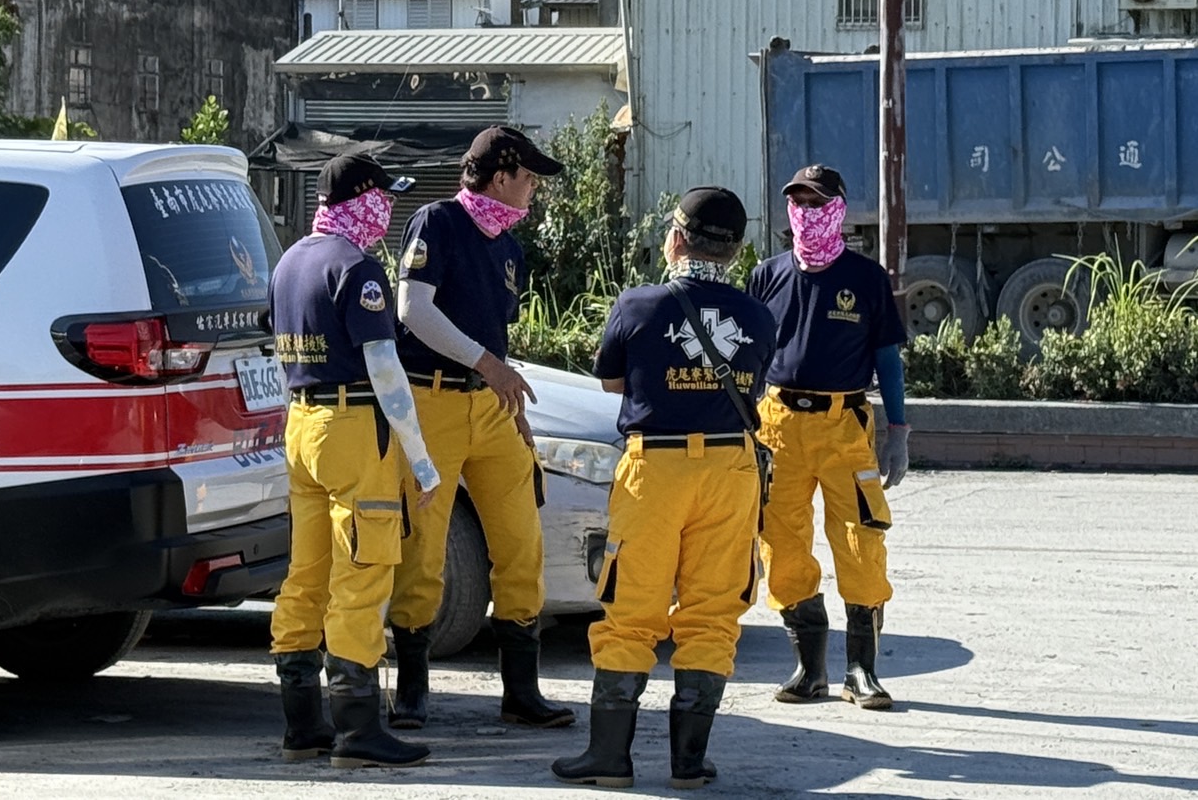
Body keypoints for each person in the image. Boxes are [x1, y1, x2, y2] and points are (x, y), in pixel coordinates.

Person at [552, 187, 777, 790]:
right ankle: (688, 763)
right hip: (729, 472)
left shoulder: (638, 305)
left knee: (630, 609)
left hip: (655, 470)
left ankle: (609, 757)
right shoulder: (758, 316)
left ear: (676, 240)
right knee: (712, 612)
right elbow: (754, 388)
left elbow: (611, 383)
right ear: (736, 252)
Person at [386, 125, 574, 731]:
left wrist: (512, 403)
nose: (534, 189)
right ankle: (411, 690)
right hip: (431, 401)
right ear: (500, 177)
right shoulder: (437, 222)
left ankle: (521, 691)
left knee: (521, 543)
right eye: (529, 178)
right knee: (423, 546)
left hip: (491, 408)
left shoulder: (509, 248)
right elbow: (413, 310)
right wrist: (488, 365)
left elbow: (495, 336)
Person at [267, 152, 443, 768]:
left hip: (302, 424)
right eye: (384, 198)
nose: (388, 210)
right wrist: (421, 460)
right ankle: (358, 730)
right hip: (352, 427)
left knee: (306, 575)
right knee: (363, 575)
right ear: (363, 199)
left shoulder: (290, 262)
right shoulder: (357, 269)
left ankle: (302, 726)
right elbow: (386, 370)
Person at [746, 164, 911, 711]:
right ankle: (809, 669)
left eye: (818, 203)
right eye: (798, 202)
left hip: (844, 425)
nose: (807, 212)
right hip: (777, 425)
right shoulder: (767, 276)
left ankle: (861, 671)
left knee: (861, 539)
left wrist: (898, 431)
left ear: (839, 208)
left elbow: (888, 359)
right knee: (781, 541)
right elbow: (748, 359)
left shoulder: (866, 279)